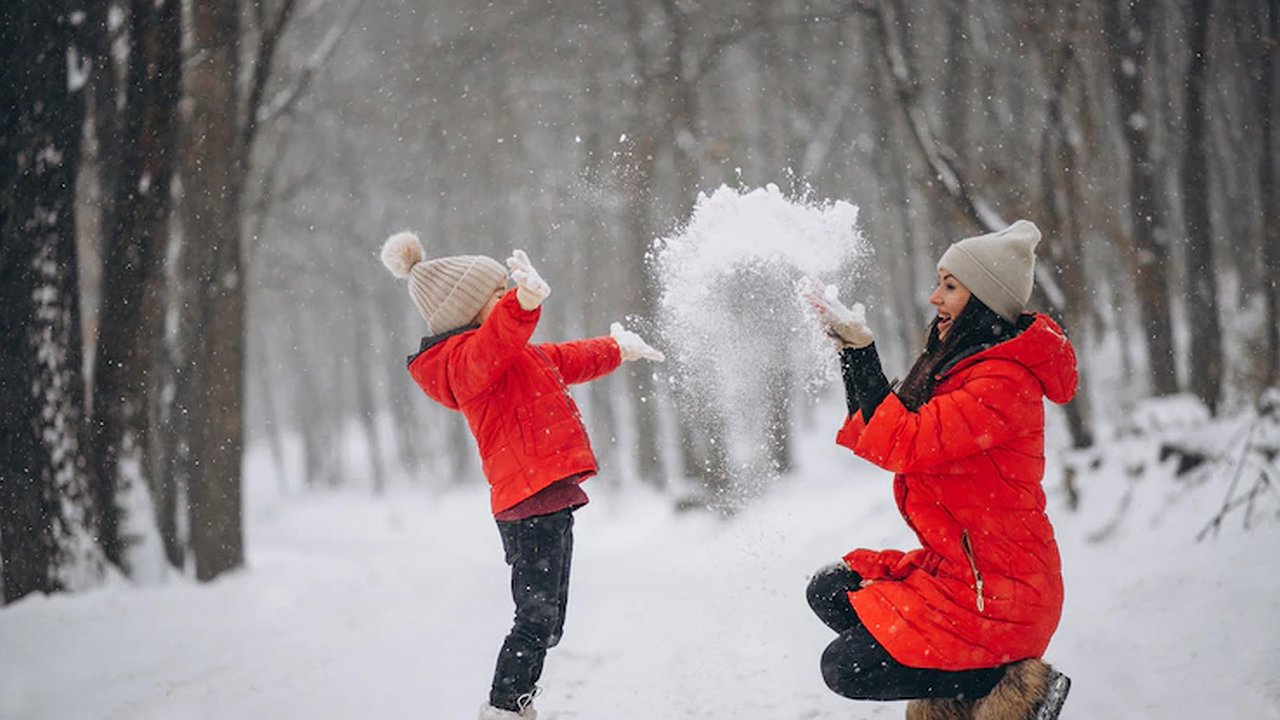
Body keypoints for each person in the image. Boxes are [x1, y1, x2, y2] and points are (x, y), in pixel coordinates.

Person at [380, 232, 664, 720]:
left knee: (550, 623)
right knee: (534, 619)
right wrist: (523, 302)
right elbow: (496, 341)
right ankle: (504, 708)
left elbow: (567, 358)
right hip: (526, 502)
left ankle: (515, 701)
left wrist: (617, 349)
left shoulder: (514, 354)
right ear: (467, 310)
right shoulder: (466, 364)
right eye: (497, 294)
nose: (507, 297)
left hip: (549, 497)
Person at [801, 220, 1076, 720]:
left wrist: (864, 353)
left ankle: (1014, 680)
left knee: (847, 667)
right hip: (961, 575)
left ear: (985, 299)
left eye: (950, 286)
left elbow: (902, 444)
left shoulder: (1002, 382)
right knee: (831, 589)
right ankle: (964, 688)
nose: (934, 298)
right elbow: (885, 426)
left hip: (1003, 597)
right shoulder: (962, 367)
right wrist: (850, 353)